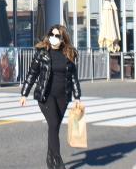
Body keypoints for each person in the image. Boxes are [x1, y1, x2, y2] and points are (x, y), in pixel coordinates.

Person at [20, 24, 82, 168]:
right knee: (53, 124)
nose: (53, 38)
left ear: (63, 39)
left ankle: (50, 160)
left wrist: (77, 97)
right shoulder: (42, 53)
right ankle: (58, 162)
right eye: (51, 35)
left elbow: (73, 77)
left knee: (54, 128)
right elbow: (32, 73)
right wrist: (24, 93)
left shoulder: (69, 54)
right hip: (45, 95)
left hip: (63, 97)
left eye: (57, 36)